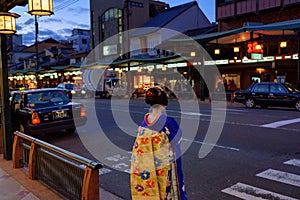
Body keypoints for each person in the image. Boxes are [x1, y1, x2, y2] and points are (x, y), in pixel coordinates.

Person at [130, 86, 188, 200]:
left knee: (153, 191)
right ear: (164, 103)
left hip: (148, 167)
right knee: (167, 193)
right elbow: (178, 139)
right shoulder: (168, 123)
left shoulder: (144, 123)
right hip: (164, 168)